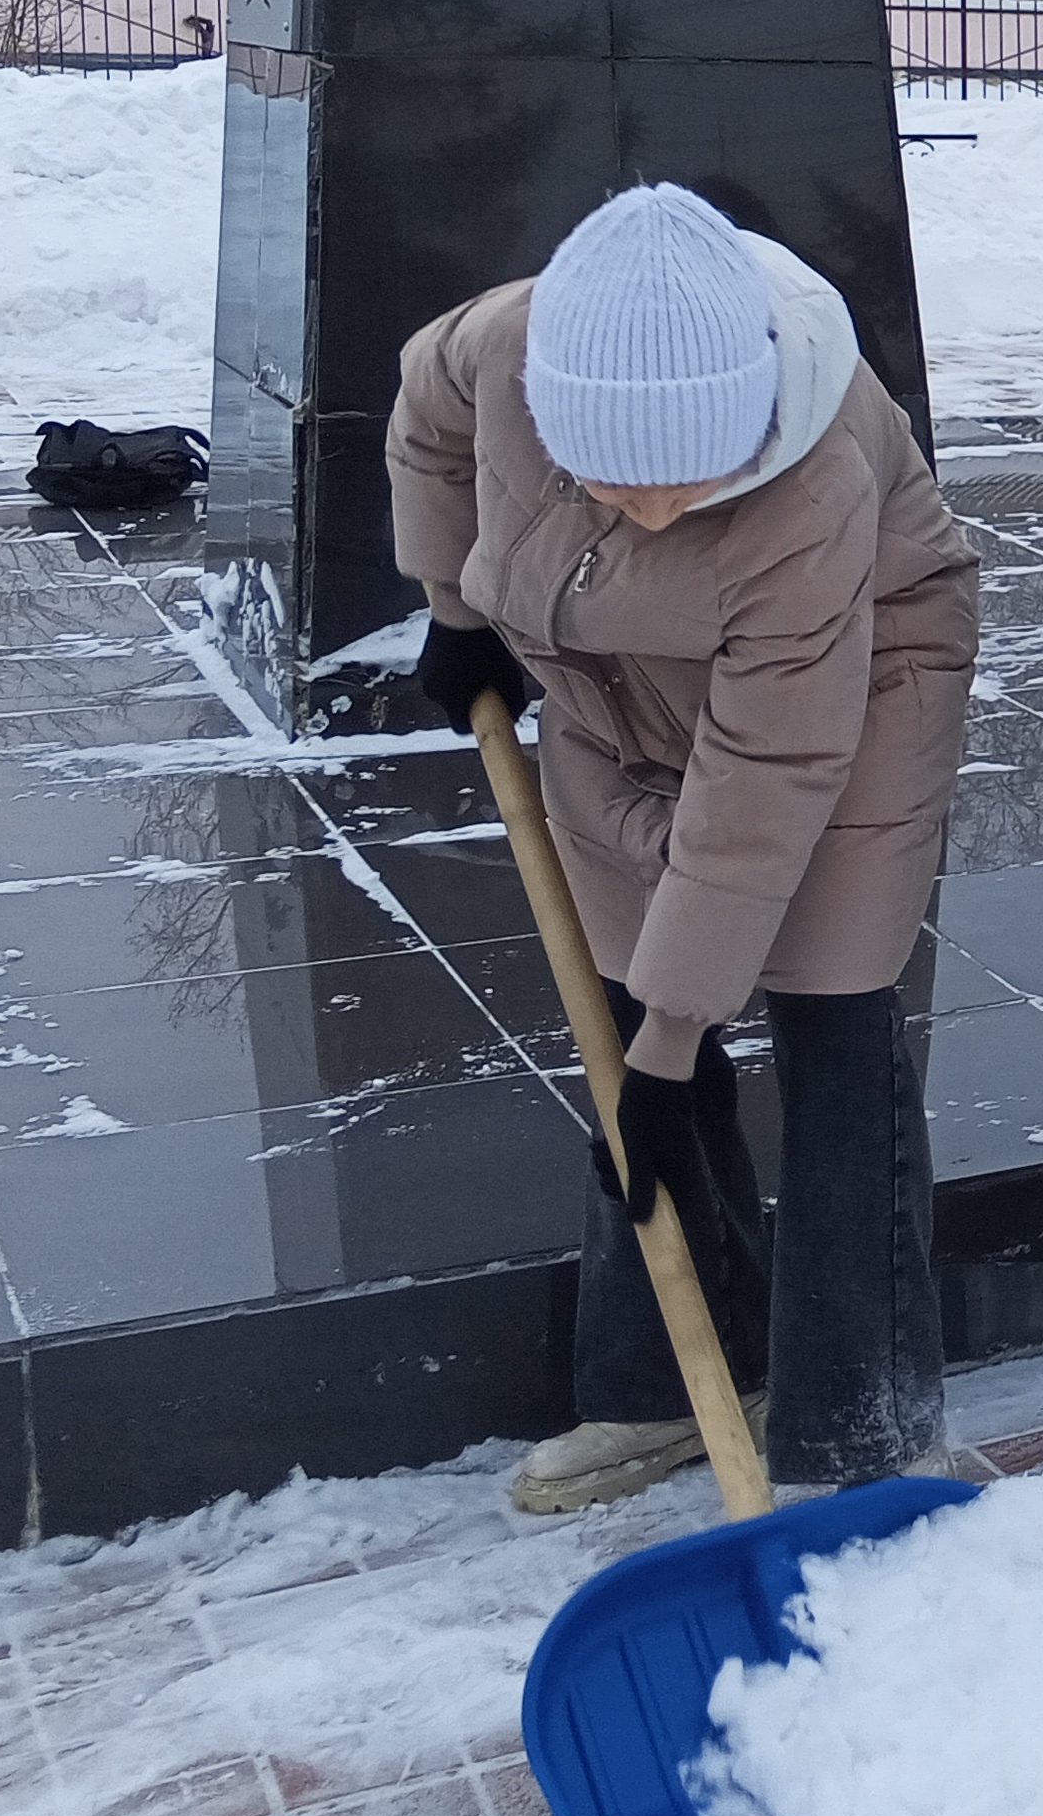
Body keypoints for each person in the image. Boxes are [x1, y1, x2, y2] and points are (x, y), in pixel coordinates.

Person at [389, 182, 985, 1514]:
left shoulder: (811, 489)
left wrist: (674, 1044)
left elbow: (769, 775)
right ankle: (664, 1385)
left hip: (859, 685)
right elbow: (424, 423)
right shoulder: (502, 350)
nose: (654, 510)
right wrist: (454, 604)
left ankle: (861, 1429)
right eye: (617, 477)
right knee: (622, 1004)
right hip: (607, 689)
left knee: (830, 1024)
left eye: (690, 478)